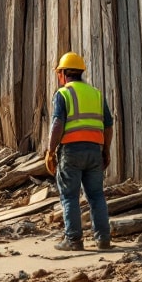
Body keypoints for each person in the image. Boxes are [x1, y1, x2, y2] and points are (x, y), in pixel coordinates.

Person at [45, 52, 114, 251]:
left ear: (63, 73)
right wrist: (106, 150)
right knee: (96, 196)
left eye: (59, 73)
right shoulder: (96, 94)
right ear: (81, 72)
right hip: (94, 151)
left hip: (71, 152)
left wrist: (50, 151)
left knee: (69, 197)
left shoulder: (63, 94)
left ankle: (74, 240)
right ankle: (103, 239)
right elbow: (108, 125)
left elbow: (58, 123)